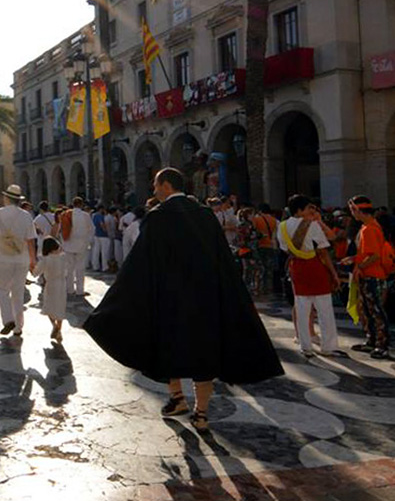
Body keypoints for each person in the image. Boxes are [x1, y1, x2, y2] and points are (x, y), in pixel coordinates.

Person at [84, 168, 283, 432]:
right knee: (204, 355)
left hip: (169, 299)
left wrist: (119, 298)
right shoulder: (205, 215)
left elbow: (140, 263)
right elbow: (221, 255)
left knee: (168, 348)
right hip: (205, 298)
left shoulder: (157, 218)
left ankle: (177, 398)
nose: (154, 190)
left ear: (166, 186)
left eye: (156, 185)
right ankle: (201, 414)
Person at [278, 194, 343, 358]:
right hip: (314, 266)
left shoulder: (282, 226)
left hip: (297, 267)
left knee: (301, 307)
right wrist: (333, 273)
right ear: (300, 210)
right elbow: (322, 249)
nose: (309, 211)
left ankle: (305, 346)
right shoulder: (311, 225)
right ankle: (328, 346)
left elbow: (284, 248)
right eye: (307, 208)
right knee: (324, 308)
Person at [342, 195, 392, 359]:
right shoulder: (368, 227)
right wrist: (354, 259)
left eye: (352, 210)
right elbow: (367, 253)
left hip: (372, 275)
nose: (352, 214)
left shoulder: (370, 228)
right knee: (368, 310)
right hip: (367, 274)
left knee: (376, 310)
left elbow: (375, 256)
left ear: (358, 210)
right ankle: (371, 341)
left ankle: (382, 345)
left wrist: (360, 266)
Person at [0, 185, 37, 337]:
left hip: (3, 259)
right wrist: (32, 260)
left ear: (7, 198)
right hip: (22, 259)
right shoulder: (26, 215)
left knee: (2, 290)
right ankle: (18, 327)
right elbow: (30, 241)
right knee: (18, 293)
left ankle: (8, 320)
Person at [34, 236, 67, 343]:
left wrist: (31, 267)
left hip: (51, 284)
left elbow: (35, 273)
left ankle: (55, 326)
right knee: (60, 308)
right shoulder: (63, 258)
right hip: (62, 284)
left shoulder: (45, 260)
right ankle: (59, 330)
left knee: (49, 307)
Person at [61, 197, 94, 298]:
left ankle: (69, 289)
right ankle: (80, 290)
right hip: (81, 245)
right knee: (80, 268)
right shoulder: (85, 215)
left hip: (68, 244)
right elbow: (91, 229)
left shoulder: (66, 214)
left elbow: (61, 230)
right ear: (81, 204)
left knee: (69, 268)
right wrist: (88, 242)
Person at [252, 204, 279, 295]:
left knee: (260, 268)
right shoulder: (275, 220)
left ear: (260, 211)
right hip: (271, 245)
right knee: (269, 269)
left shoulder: (256, 219)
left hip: (260, 245)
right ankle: (269, 288)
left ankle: (259, 288)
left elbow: (253, 231)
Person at [90, 205, 111, 272]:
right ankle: (105, 267)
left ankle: (95, 266)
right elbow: (102, 224)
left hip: (96, 235)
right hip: (103, 235)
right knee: (104, 252)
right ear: (101, 209)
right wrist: (106, 230)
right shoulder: (100, 216)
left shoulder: (94, 216)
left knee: (96, 251)